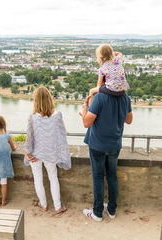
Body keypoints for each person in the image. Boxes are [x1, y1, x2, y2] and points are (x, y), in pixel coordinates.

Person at [81, 85, 133, 221]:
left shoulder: (100, 98)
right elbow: (129, 120)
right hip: (114, 145)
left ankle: (97, 213)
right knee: (112, 176)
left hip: (97, 145)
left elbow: (86, 123)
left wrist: (85, 105)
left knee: (98, 177)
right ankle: (111, 210)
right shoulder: (125, 97)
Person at [24, 86, 71, 214]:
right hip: (50, 153)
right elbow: (61, 134)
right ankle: (57, 207)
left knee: (37, 178)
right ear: (50, 99)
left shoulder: (32, 117)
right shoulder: (57, 116)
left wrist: (26, 152)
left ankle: (43, 205)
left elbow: (29, 137)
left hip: (35, 153)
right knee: (53, 178)